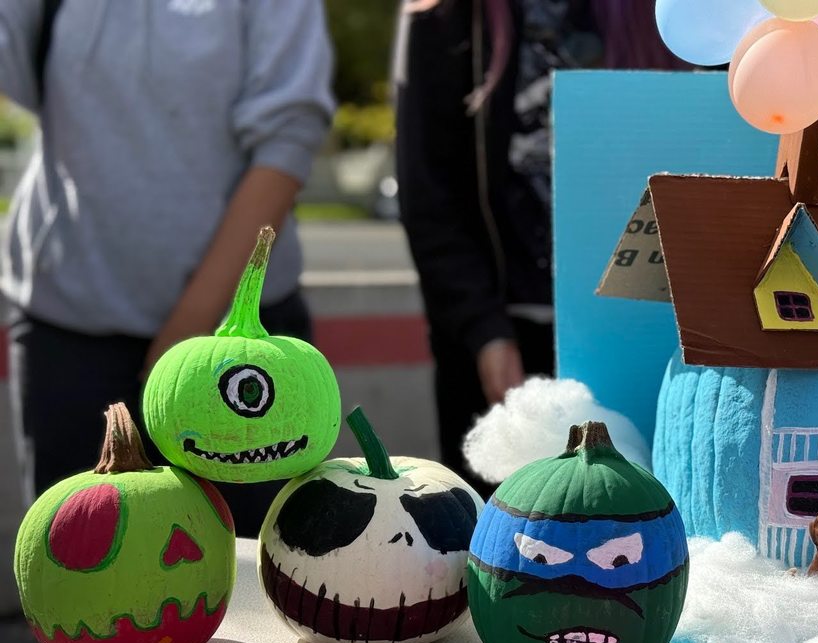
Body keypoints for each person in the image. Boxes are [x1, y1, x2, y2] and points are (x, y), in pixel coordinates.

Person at [0, 0, 335, 536]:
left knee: (248, 589)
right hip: (69, 327)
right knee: (83, 582)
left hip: (239, 342)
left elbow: (287, 139)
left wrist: (192, 329)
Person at [395, 0, 687, 495]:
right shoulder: (442, 15)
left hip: (636, 332)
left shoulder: (667, 14)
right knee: (502, 546)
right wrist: (483, 329)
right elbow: (430, 194)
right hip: (502, 346)